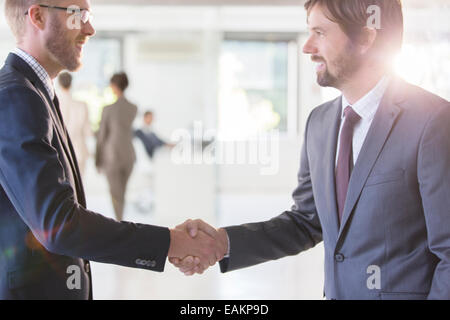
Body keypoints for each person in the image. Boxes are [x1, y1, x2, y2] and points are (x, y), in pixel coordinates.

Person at [171, 0, 450, 300]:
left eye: (320, 32)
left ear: (367, 38)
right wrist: (222, 243)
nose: (307, 47)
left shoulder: (432, 122)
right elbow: (306, 222)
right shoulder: (320, 123)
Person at [0, 0, 225, 300]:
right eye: (77, 15)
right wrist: (170, 242)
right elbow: (58, 224)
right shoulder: (17, 95)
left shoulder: (35, 93)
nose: (89, 28)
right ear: (37, 16)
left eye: (89, 16)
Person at [95, 72, 137, 221]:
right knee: (122, 193)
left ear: (114, 86)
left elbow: (102, 136)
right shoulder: (133, 108)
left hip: (111, 156)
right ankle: (121, 221)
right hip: (129, 155)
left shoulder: (108, 109)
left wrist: (97, 160)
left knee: (115, 194)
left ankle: (119, 223)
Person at [58, 72, 91, 177]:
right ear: (71, 84)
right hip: (79, 151)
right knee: (79, 188)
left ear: (58, 84)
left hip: (60, 153)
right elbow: (88, 132)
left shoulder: (53, 105)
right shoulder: (82, 105)